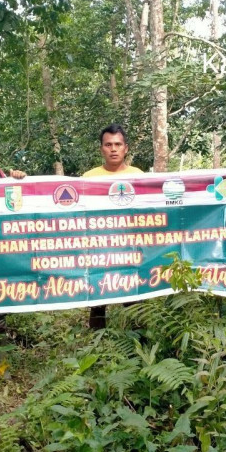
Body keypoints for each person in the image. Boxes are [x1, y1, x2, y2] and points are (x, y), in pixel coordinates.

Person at [84, 124, 143, 328]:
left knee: (134, 299)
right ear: (101, 149)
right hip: (100, 249)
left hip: (130, 249)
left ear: (126, 148)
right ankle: (97, 347)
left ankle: (139, 345)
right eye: (108, 144)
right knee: (98, 301)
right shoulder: (88, 178)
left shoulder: (139, 176)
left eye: (118, 144)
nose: (113, 149)